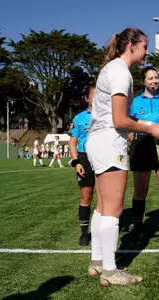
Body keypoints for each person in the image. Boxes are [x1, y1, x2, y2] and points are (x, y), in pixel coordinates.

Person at [85, 28, 159, 286]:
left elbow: (122, 117)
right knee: (114, 208)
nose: (148, 51)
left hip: (99, 141)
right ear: (132, 45)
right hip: (109, 143)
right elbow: (119, 119)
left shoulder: (112, 69)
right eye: (145, 46)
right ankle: (111, 272)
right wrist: (151, 127)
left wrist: (146, 123)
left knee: (102, 206)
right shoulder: (121, 73)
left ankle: (98, 262)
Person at [128, 67, 159, 244]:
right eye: (150, 78)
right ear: (143, 81)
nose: (154, 81)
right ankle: (137, 229)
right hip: (141, 146)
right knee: (140, 192)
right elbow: (128, 124)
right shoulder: (134, 102)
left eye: (156, 78)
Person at [68, 84, 98, 246]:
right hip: (85, 158)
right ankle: (85, 234)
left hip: (103, 158)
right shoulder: (79, 118)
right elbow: (72, 142)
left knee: (105, 198)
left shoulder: (108, 115)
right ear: (87, 98)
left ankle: (102, 232)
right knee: (86, 197)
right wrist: (76, 162)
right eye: (94, 95)